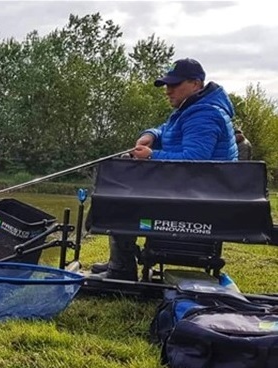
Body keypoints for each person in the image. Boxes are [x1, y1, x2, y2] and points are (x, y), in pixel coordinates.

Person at [91, 58, 238, 281]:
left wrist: (152, 155)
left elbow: (194, 161)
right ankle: (119, 262)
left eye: (174, 85)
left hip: (197, 200)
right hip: (195, 192)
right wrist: (151, 135)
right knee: (119, 190)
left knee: (117, 198)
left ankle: (121, 268)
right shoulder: (192, 108)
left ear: (196, 84)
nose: (168, 91)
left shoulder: (204, 115)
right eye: (167, 85)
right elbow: (167, 130)